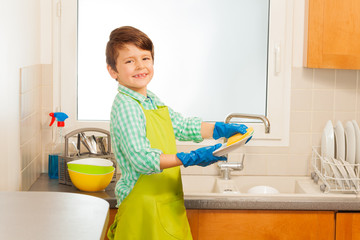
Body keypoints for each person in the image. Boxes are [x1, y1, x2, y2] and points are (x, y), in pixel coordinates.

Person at [106, 26, 250, 240]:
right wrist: (189, 158)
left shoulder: (149, 100)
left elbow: (182, 126)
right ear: (113, 71)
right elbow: (141, 159)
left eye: (145, 58)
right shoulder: (127, 105)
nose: (140, 66)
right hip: (143, 209)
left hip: (165, 204)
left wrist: (220, 129)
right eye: (129, 61)